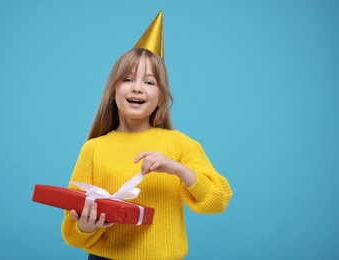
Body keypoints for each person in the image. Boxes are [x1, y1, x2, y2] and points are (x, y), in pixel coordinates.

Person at [61, 11, 232, 260]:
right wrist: (86, 226)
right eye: (128, 79)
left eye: (149, 82)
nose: (137, 87)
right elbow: (71, 233)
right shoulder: (94, 149)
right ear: (113, 91)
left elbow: (218, 201)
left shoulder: (179, 145)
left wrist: (177, 168)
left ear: (161, 97)